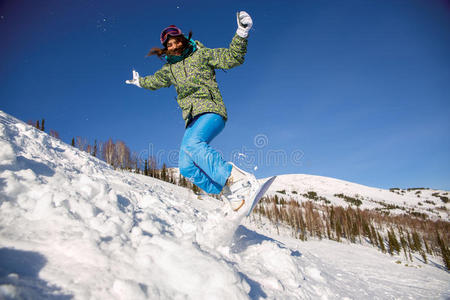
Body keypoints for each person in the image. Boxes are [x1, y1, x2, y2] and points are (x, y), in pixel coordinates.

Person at [126, 11, 257, 213]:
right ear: (166, 49)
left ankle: (236, 179)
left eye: (176, 41)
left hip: (211, 110)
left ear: (183, 40)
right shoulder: (169, 70)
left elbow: (233, 57)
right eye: (169, 45)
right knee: (186, 166)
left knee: (195, 145)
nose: (174, 46)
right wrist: (140, 82)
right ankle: (228, 193)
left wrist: (241, 32)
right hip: (191, 119)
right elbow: (155, 81)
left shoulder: (201, 54)